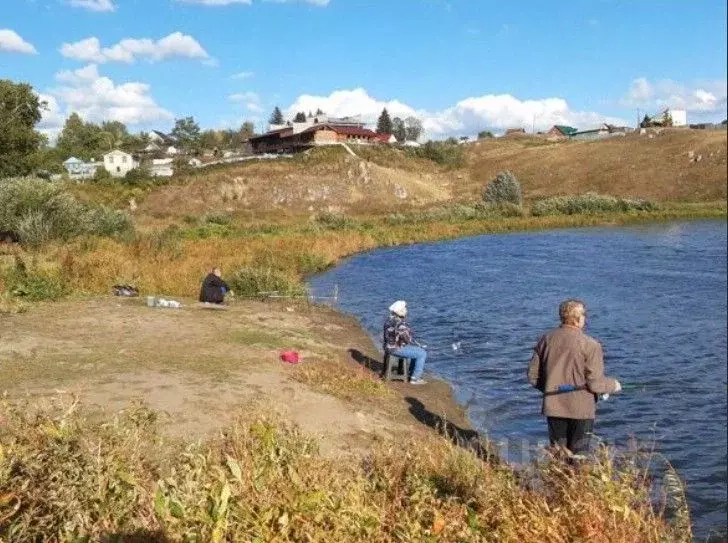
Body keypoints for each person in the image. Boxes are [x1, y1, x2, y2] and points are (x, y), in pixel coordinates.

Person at [527, 299, 621, 456]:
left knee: (558, 456)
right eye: (584, 314)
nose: (586, 318)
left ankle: (556, 480)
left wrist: (550, 387)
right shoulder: (591, 345)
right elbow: (595, 385)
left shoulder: (546, 339)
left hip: (553, 406)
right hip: (581, 410)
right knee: (579, 458)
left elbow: (532, 375)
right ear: (577, 318)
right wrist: (613, 385)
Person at [383, 300, 428, 385]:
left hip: (387, 347)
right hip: (396, 349)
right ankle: (415, 378)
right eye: (404, 308)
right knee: (422, 353)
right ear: (401, 311)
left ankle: (411, 373)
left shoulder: (388, 320)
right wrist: (416, 342)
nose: (406, 310)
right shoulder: (401, 324)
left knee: (417, 351)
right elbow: (408, 340)